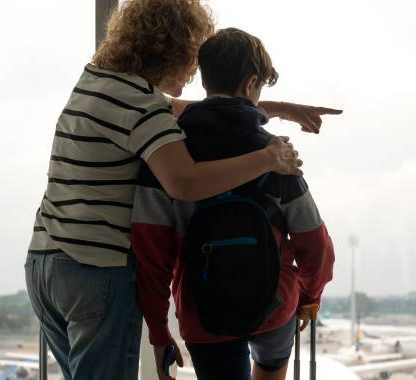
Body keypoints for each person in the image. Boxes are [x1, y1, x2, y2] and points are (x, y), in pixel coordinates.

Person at [24, 1, 341, 379]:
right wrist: (269, 157)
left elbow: (188, 110)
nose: (192, 73)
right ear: (174, 49)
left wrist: (277, 107)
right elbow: (185, 182)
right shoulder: (147, 111)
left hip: (46, 265)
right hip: (95, 270)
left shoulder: (99, 81)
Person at [132, 28, 336, 380]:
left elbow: (151, 254)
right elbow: (316, 245)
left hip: (204, 314)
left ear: (206, 79)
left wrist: (158, 331)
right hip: (276, 306)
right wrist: (309, 297)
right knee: (273, 357)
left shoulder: (170, 156)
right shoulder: (278, 156)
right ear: (250, 83)